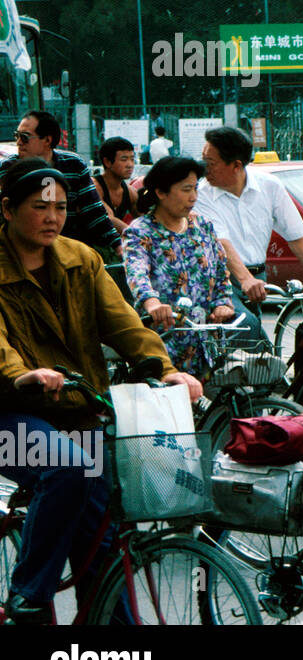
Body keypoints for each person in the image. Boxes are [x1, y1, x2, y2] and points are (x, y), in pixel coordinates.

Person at [0, 158, 202, 623]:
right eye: (39, 207)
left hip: (78, 409)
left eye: (61, 207)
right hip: (11, 412)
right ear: (8, 210)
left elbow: (124, 324)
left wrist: (163, 368)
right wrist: (21, 375)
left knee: (102, 538)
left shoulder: (81, 258)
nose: (52, 217)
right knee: (68, 467)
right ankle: (29, 593)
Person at [123, 157, 238, 379]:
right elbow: (137, 273)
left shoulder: (202, 226)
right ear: (161, 192)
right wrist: (152, 303)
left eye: (195, 189)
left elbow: (221, 270)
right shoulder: (140, 232)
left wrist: (223, 303)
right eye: (186, 190)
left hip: (206, 341)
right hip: (164, 343)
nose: (193, 197)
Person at [196, 126, 303, 338]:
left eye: (211, 163)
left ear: (236, 165)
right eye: (204, 161)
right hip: (221, 279)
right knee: (246, 328)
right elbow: (221, 242)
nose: (205, 169)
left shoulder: (270, 186)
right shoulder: (201, 194)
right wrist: (245, 280)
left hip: (259, 278)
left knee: (257, 355)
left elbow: (295, 235)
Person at [0, 111, 120, 255]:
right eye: (17, 136)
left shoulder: (73, 165)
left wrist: (118, 246)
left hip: (70, 250)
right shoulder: (7, 168)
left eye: (25, 137)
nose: (18, 142)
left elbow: (93, 212)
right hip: (20, 251)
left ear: (47, 140)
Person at [93, 136, 138, 235]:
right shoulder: (94, 187)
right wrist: (137, 235)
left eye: (132, 159)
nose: (130, 164)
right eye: (124, 159)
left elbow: (145, 219)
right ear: (107, 162)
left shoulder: (131, 192)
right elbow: (109, 219)